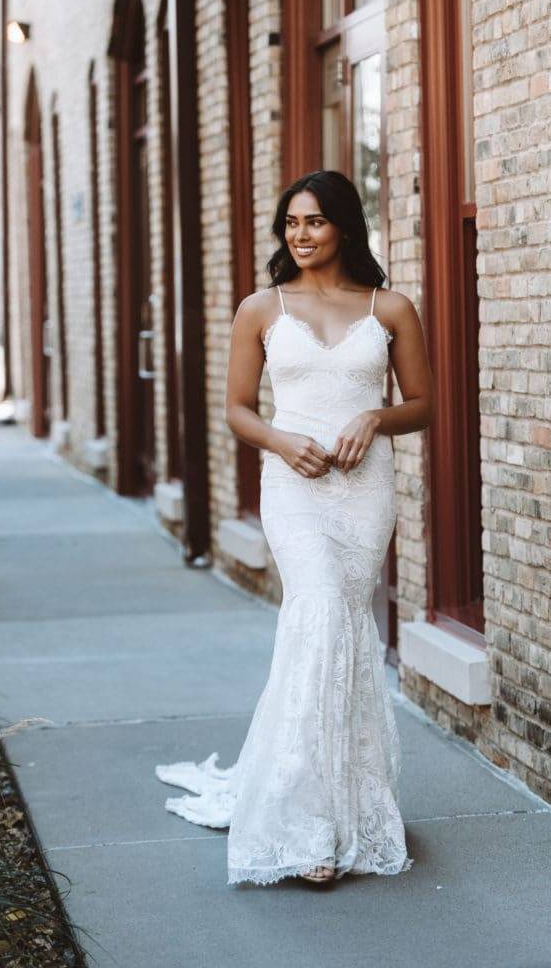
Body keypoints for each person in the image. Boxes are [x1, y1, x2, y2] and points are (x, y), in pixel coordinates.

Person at [156, 169, 434, 886]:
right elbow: (239, 408)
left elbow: (424, 406)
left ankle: (353, 800)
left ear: (343, 224)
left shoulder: (390, 307)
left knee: (344, 628)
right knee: (314, 617)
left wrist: (374, 417)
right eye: (290, 223)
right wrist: (282, 442)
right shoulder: (261, 308)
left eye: (313, 221)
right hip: (293, 486)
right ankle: (306, 826)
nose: (300, 235)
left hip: (364, 488)